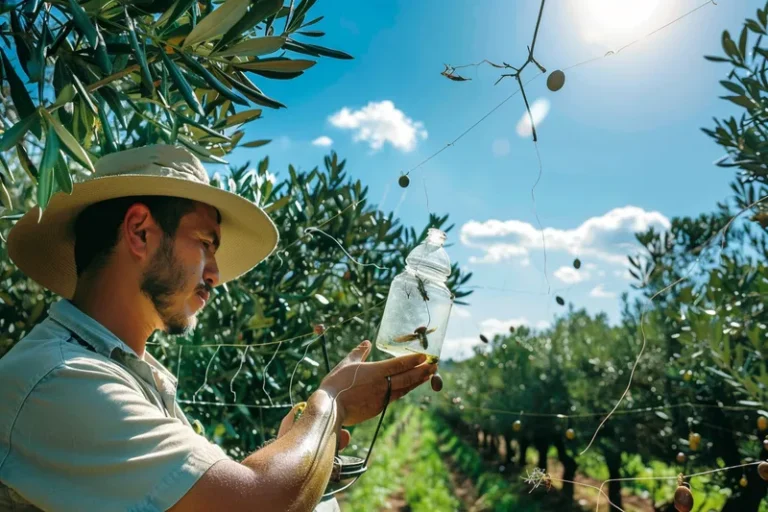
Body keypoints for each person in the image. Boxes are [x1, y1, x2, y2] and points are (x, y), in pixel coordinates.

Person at [0, 145, 438, 512]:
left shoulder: (127, 374)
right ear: (139, 232)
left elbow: (202, 493)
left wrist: (297, 450)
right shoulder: (58, 377)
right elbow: (254, 502)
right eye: (206, 244)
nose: (215, 273)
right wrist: (331, 403)